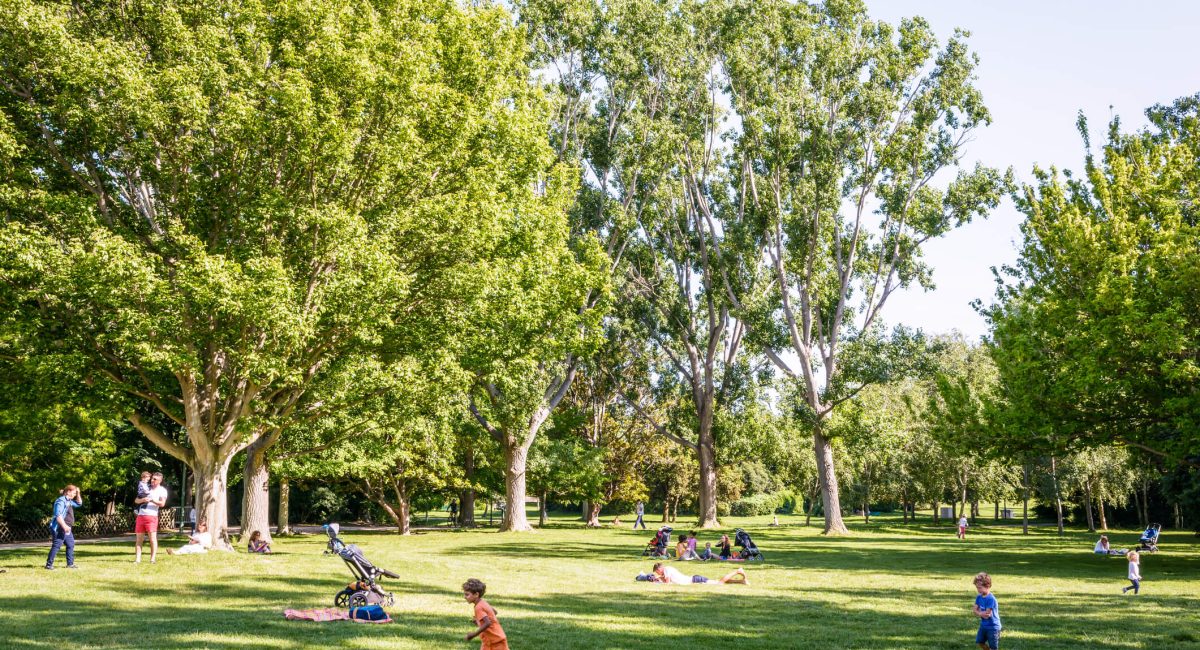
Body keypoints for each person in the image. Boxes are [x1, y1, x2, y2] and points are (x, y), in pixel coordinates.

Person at [463, 578, 509, 650]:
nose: (464, 597)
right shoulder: (483, 602)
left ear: (476, 594)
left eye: (467, 594)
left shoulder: (478, 607)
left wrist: (474, 634)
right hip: (491, 640)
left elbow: (487, 623)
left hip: (496, 641)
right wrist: (479, 621)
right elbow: (494, 612)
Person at [133, 471, 168, 563]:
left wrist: (152, 500)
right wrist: (142, 500)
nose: (152, 480)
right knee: (139, 539)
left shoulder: (162, 490)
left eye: (155, 479)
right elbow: (136, 500)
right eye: (152, 478)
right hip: (141, 516)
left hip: (152, 516)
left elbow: (162, 504)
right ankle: (137, 559)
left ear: (160, 481)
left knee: (152, 539)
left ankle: (152, 559)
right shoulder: (146, 487)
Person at [45, 484, 82, 570]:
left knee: (70, 544)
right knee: (57, 545)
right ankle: (49, 564)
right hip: (60, 527)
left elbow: (79, 503)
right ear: (68, 492)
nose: (75, 495)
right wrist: (64, 526)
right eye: (74, 493)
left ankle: (70, 564)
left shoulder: (69, 501)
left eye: (75, 493)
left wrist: (78, 493)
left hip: (66, 527)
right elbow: (58, 515)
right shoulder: (61, 501)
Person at [972, 572, 1002, 650]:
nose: (978, 590)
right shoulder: (979, 597)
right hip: (983, 626)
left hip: (993, 627)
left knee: (994, 647)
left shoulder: (991, 599)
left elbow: (987, 615)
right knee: (979, 641)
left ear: (987, 586)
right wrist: (980, 613)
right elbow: (974, 610)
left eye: (980, 587)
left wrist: (978, 612)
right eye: (977, 587)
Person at [651, 562, 748, 585]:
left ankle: (738, 571)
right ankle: (741, 581)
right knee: (719, 581)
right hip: (695, 579)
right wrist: (659, 579)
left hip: (696, 580)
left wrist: (658, 581)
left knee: (719, 583)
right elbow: (668, 579)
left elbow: (667, 583)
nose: (658, 573)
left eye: (657, 571)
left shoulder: (666, 570)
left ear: (660, 568)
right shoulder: (667, 569)